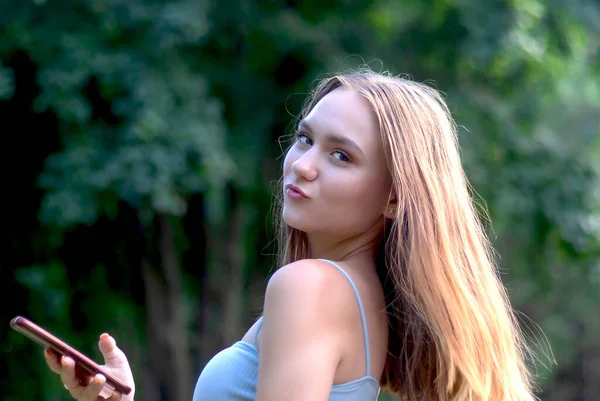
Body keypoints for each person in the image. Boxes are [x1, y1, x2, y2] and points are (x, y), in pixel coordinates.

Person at [44, 69, 537, 401]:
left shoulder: (311, 288)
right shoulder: (359, 299)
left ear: (394, 197)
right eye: (305, 139)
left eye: (341, 155)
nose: (301, 166)